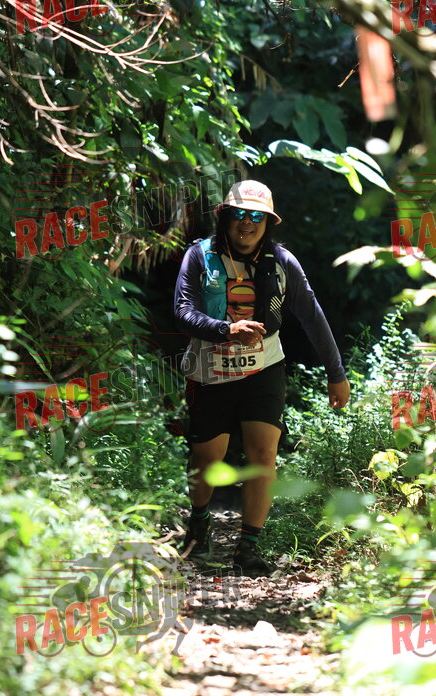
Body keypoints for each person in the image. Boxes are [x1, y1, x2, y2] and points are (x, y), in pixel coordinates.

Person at [173, 180, 350, 576]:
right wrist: (225, 330)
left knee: (263, 454)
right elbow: (183, 312)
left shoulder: (282, 262)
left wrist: (336, 373)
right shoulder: (199, 256)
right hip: (210, 370)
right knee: (207, 456)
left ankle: (248, 548)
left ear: (269, 223)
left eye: (257, 216)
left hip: (263, 368)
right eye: (239, 214)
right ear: (224, 217)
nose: (247, 223)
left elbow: (312, 316)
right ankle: (199, 524)